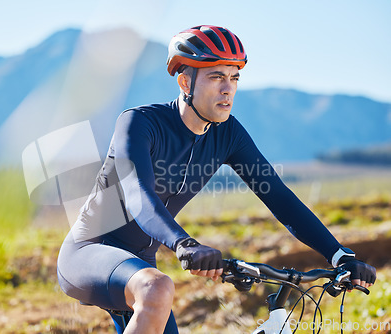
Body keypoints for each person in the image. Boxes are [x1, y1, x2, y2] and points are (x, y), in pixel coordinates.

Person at [57, 25, 376, 333]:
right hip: (90, 249)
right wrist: (185, 244)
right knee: (157, 287)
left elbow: (279, 196)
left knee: (155, 290)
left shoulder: (228, 134)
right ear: (185, 82)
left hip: (140, 260)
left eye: (234, 78)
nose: (228, 88)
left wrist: (340, 255)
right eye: (216, 77)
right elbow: (138, 193)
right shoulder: (139, 123)